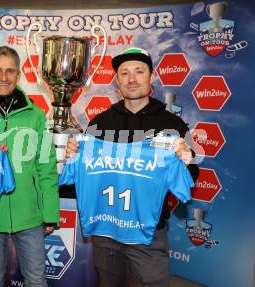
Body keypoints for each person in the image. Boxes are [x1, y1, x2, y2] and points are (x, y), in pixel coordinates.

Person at [65, 47, 199, 287]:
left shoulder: (173, 123)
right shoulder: (100, 123)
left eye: (139, 71)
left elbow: (192, 175)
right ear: (117, 81)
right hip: (105, 231)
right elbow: (82, 175)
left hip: (148, 232)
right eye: (124, 73)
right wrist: (73, 156)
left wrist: (186, 159)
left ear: (151, 77)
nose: (132, 79)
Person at [0, 45, 59, 287]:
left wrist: (50, 212)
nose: (4, 77)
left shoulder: (36, 116)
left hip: (30, 214)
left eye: (10, 71)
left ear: (18, 75)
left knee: (36, 279)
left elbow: (46, 166)